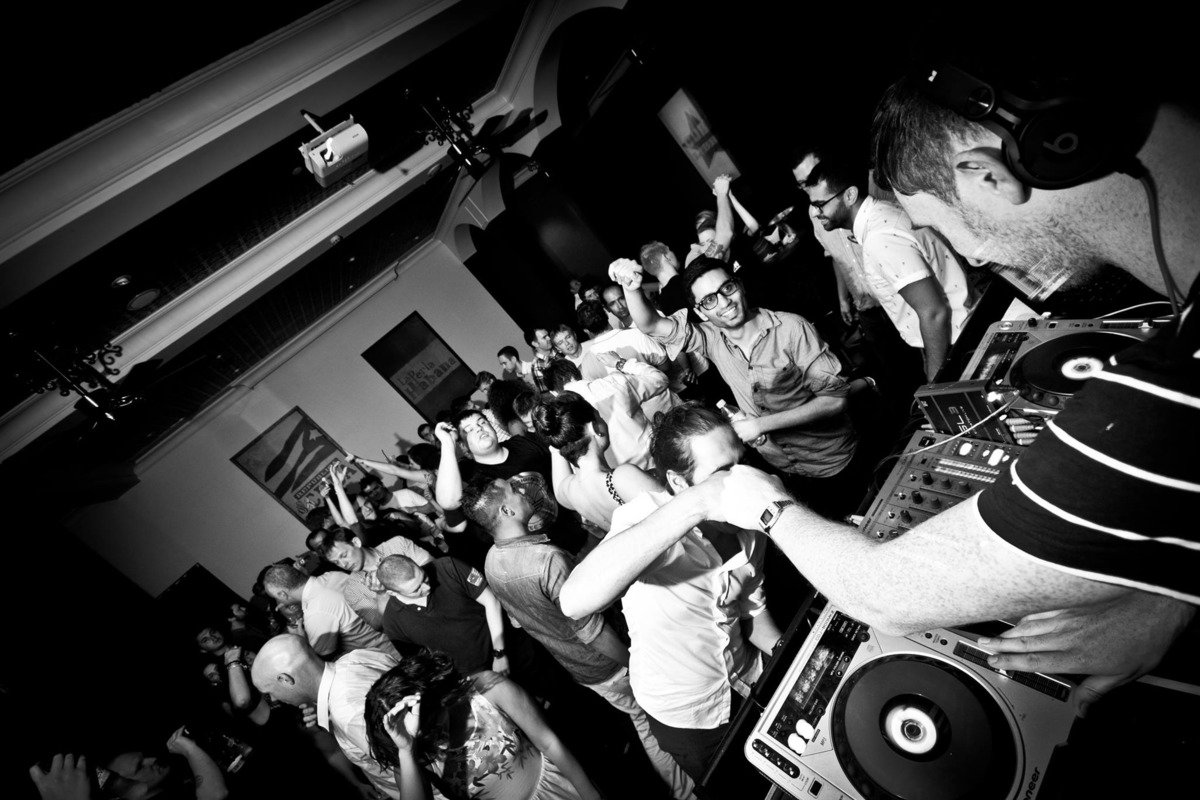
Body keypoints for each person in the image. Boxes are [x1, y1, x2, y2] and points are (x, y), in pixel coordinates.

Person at [672, 60, 1200, 718]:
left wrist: (766, 506)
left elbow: (884, 592)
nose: (971, 258)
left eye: (946, 228)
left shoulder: (1152, 410)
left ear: (988, 174)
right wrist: (1174, 594)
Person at [559, 404, 782, 785]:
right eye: (721, 474)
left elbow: (751, 608)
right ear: (680, 483)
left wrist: (788, 655)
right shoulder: (649, 518)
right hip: (689, 715)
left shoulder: (748, 524)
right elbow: (575, 600)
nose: (742, 480)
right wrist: (696, 503)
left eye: (742, 464)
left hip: (747, 677)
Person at [462, 475, 694, 799]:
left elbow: (518, 620)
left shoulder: (491, 561)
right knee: (662, 719)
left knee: (643, 721)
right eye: (513, 490)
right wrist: (635, 662)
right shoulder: (546, 560)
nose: (522, 490)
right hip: (613, 663)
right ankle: (692, 785)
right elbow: (592, 630)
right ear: (506, 511)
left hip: (581, 668)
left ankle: (683, 790)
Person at [610, 254, 866, 518]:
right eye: (709, 300)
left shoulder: (791, 329)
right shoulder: (712, 338)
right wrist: (632, 289)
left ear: (739, 285)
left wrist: (760, 425)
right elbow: (651, 325)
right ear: (701, 311)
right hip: (782, 469)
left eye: (727, 288)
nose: (724, 302)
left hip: (832, 463)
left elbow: (835, 400)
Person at [800, 149, 976, 383]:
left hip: (956, 342)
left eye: (820, 204)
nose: (815, 213)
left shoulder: (880, 238)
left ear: (850, 195)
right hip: (954, 335)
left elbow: (934, 312)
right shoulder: (882, 214)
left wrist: (935, 383)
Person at [363, 651, 602, 800]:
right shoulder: (409, 750)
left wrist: (591, 794)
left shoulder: (486, 691)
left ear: (435, 696)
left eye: (433, 722)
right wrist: (406, 751)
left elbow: (549, 743)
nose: (436, 735)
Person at [251, 634, 400, 799]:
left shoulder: (347, 712)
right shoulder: (357, 656)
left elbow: (409, 767)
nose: (274, 699)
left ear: (285, 679)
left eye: (270, 692)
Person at [532, 391, 661, 534]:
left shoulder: (567, 492)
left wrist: (557, 433)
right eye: (599, 416)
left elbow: (556, 451)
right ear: (594, 428)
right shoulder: (622, 478)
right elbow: (677, 513)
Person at [377, 554, 510, 678]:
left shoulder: (449, 567)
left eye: (424, 577)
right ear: (392, 593)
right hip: (471, 675)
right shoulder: (392, 623)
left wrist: (499, 653)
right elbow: (422, 664)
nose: (426, 587)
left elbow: (491, 601)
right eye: (416, 590)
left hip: (506, 646)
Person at [544, 355, 667, 471]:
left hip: (615, 480)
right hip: (656, 460)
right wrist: (621, 363)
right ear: (576, 374)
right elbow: (660, 379)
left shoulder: (559, 424)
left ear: (553, 392)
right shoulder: (615, 382)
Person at [261, 562, 400, 660]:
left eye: (276, 598)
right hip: (397, 633)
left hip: (389, 655)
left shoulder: (316, 612)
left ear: (282, 595)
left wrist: (301, 640)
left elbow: (322, 656)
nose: (278, 602)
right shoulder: (333, 575)